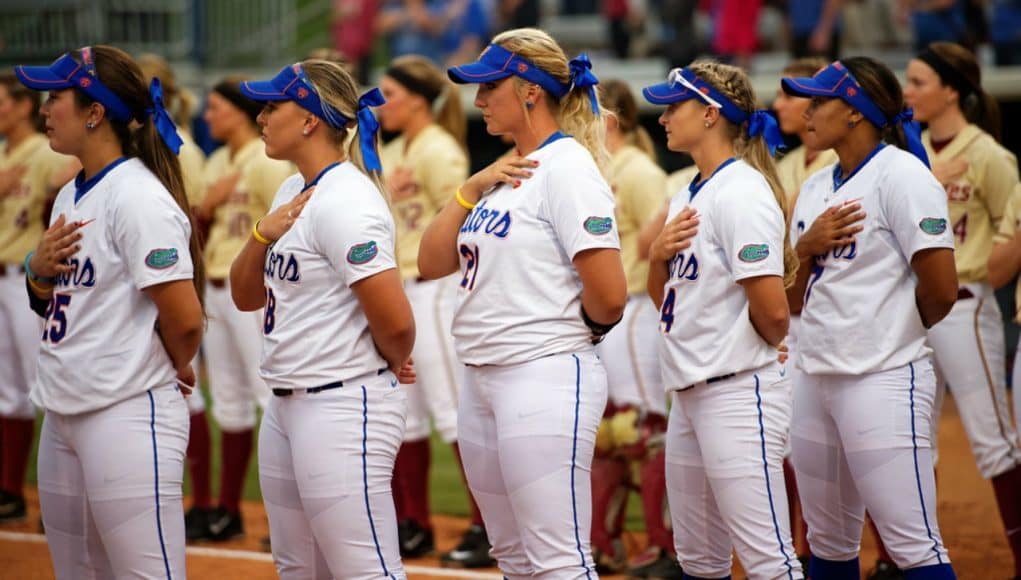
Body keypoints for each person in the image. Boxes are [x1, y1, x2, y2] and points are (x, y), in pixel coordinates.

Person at [419, 28, 628, 577]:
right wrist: (470, 189)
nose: (480, 100)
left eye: (490, 87)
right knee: (511, 555)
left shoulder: (567, 168)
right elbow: (430, 262)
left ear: (530, 91)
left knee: (556, 557)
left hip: (543, 374)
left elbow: (609, 295)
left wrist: (560, 333)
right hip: (485, 377)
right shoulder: (504, 171)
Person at [15, 44, 204, 577]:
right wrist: (37, 272)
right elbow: (60, 302)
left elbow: (185, 319)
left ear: (95, 112)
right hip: (63, 411)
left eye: (57, 97)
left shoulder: (137, 197)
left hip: (125, 413)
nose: (44, 108)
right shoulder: (71, 193)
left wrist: (164, 364)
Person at [229, 58, 415, 578]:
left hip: (341, 403)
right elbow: (246, 297)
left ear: (310, 119)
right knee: (299, 569)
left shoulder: (347, 200)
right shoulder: (292, 190)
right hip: (288, 403)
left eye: (272, 105)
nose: (261, 116)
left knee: (366, 570)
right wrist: (262, 234)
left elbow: (396, 322)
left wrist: (390, 361)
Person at [782, 58, 958, 578]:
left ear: (856, 111)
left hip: (881, 378)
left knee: (913, 545)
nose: (806, 111)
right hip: (815, 378)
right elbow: (793, 302)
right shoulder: (815, 186)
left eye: (819, 101)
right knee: (828, 543)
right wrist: (807, 248)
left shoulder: (903, 176)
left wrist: (891, 332)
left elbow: (942, 290)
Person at [643, 61, 802, 579]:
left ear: (711, 115)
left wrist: (742, 356)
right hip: (689, 394)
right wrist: (655, 259)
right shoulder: (688, 192)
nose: (664, 117)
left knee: (768, 560)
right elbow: (661, 299)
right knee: (699, 560)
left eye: (675, 106)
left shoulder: (741, 191)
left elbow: (775, 314)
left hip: (737, 391)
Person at [905, 41, 1021, 580]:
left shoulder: (987, 153)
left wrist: (989, 269)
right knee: (911, 439)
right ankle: (910, 558)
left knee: (994, 440)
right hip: (916, 309)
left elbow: (1013, 220)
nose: (908, 92)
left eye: (920, 81)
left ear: (952, 89)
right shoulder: (912, 151)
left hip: (968, 305)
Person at [377, 54, 495, 567]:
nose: (381, 104)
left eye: (389, 94)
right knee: (407, 418)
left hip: (435, 287)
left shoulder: (439, 148)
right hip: (403, 288)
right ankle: (416, 523)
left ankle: (485, 526)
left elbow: (463, 221)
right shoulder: (400, 146)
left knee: (452, 413)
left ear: (417, 101)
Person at [187, 76, 292, 542]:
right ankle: (226, 510)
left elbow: (289, 229)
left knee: (267, 395)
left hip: (254, 292)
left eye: (217, 108)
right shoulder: (216, 160)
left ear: (239, 111)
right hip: (215, 284)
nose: (210, 117)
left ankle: (285, 516)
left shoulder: (266, 163)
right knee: (227, 401)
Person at [589, 78, 677, 577]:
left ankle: (665, 547)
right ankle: (606, 542)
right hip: (607, 316)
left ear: (612, 116)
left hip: (640, 305)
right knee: (609, 433)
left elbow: (659, 242)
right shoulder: (597, 167)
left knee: (646, 428)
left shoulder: (639, 170)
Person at [0, 73, 75, 524]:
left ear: (24, 106)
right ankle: (10, 489)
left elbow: (63, 203)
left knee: (42, 381)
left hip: (29, 280)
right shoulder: (4, 153)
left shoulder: (43, 154)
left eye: (3, 101)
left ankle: (61, 496)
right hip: (1, 273)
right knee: (6, 390)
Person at [772, 55, 837, 571]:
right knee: (799, 439)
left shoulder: (840, 167)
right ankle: (804, 544)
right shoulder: (790, 164)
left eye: (791, 95)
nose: (779, 104)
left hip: (837, 315)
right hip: (792, 311)